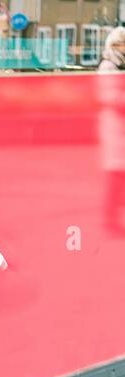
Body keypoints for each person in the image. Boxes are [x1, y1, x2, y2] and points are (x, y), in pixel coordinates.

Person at [98, 27, 125, 235]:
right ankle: (110, 219)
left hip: (119, 128)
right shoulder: (108, 66)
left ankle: (113, 217)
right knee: (116, 175)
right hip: (115, 129)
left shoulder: (119, 66)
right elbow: (109, 97)